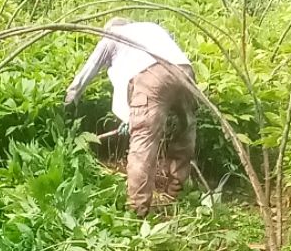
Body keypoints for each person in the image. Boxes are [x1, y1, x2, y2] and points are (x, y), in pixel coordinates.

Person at [65, 18, 198, 216]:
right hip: (184, 70)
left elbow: (89, 72)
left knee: (143, 144)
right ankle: (175, 191)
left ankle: (137, 209)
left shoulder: (111, 36)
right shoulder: (151, 27)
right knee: (184, 130)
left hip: (151, 77)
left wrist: (69, 100)